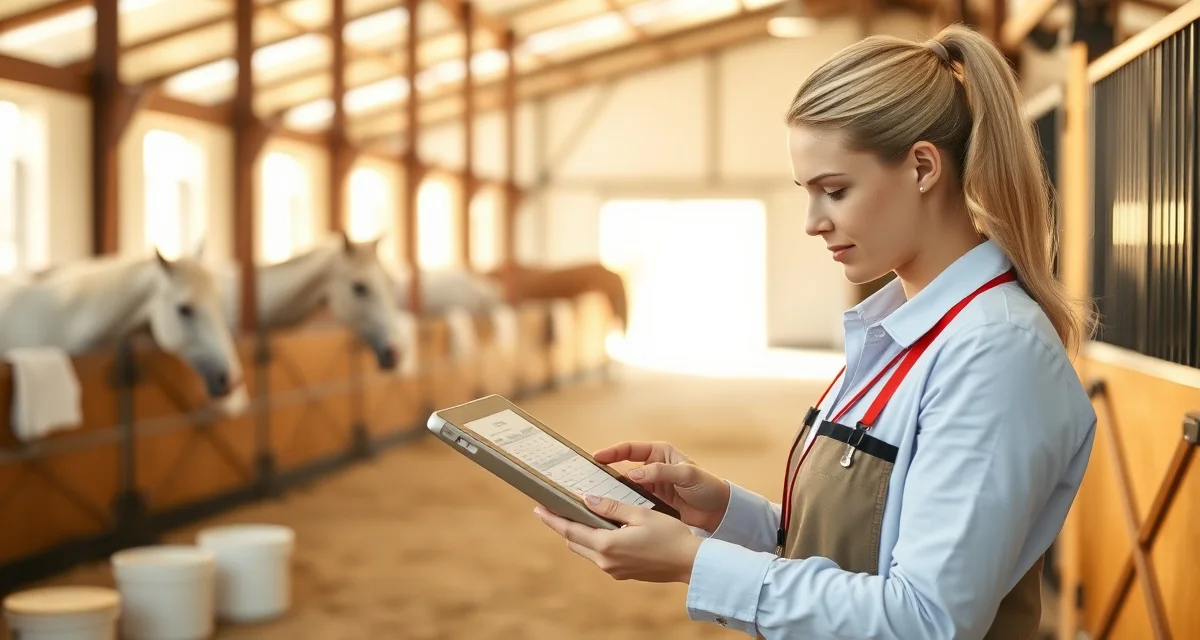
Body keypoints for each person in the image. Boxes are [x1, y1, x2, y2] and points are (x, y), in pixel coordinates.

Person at [532, 23, 1098, 640]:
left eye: (835, 190)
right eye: (808, 192)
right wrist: (722, 510)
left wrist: (694, 563)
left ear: (922, 166)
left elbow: (926, 619)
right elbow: (860, 550)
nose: (812, 223)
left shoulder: (996, 352)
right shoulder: (900, 331)